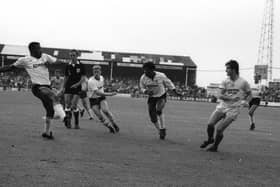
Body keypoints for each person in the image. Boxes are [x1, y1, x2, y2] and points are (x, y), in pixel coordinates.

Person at [0, 42, 66, 139]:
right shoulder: (25, 60)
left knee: (50, 109)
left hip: (47, 86)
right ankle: (64, 117)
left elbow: (59, 62)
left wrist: (52, 64)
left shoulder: (45, 57)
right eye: (39, 48)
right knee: (52, 98)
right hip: (37, 87)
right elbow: (10, 67)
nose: (41, 50)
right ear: (32, 50)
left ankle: (47, 132)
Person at [200, 60, 252, 152]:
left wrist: (246, 101)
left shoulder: (243, 82)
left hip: (234, 109)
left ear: (234, 69)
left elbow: (250, 94)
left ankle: (215, 146)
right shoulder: (225, 81)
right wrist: (230, 99)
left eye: (227, 68)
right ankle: (210, 139)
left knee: (219, 129)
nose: (226, 71)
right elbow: (219, 95)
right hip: (222, 106)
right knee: (210, 124)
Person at [139, 61, 182, 140]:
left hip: (161, 95)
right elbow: (141, 87)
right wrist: (146, 91)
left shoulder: (161, 75)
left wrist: (175, 92)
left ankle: (163, 128)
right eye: (144, 70)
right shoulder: (143, 78)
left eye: (147, 70)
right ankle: (160, 130)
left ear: (152, 70)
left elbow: (169, 83)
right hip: (152, 97)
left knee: (159, 110)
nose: (145, 72)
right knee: (152, 117)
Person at [87, 65, 119, 133]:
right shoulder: (91, 81)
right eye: (94, 71)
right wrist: (110, 94)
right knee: (100, 116)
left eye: (97, 70)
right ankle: (109, 127)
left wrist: (110, 88)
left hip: (101, 98)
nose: (96, 72)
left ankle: (114, 124)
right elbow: (98, 93)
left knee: (105, 111)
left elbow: (101, 88)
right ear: (93, 72)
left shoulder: (102, 78)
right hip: (93, 100)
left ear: (100, 71)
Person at [61, 49, 86, 129]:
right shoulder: (67, 65)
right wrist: (63, 87)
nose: (72, 57)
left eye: (74, 55)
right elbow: (66, 77)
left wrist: (77, 84)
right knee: (67, 104)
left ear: (77, 56)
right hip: (68, 86)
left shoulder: (81, 65)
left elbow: (83, 78)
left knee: (74, 105)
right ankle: (68, 122)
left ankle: (76, 123)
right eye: (71, 55)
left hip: (77, 87)